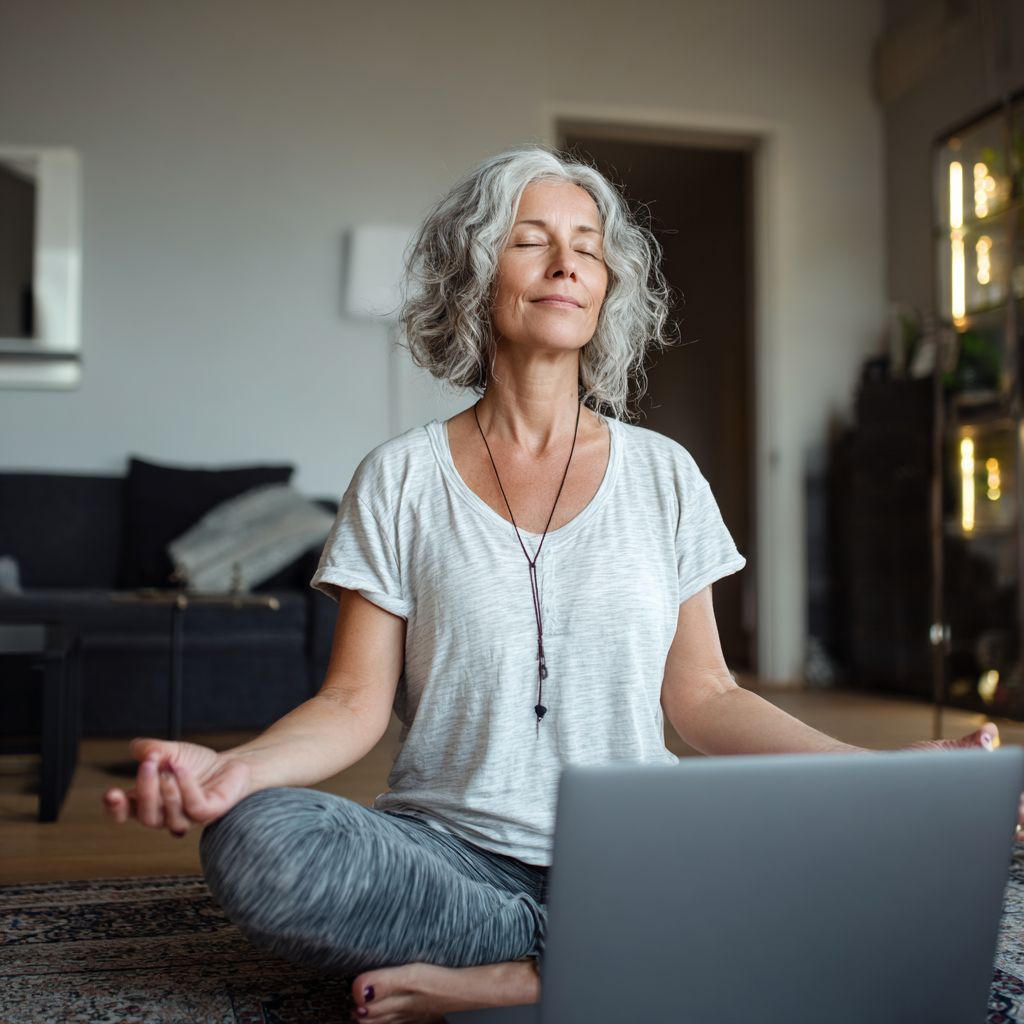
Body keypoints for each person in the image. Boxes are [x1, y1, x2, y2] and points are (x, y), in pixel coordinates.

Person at [103, 148, 1003, 1024]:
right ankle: (606, 959)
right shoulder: (399, 478)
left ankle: (524, 976)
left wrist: (879, 778)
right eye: (530, 238)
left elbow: (706, 696)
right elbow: (349, 704)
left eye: (588, 242)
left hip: (645, 854)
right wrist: (233, 771)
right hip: (451, 858)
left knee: (850, 847)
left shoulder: (666, 475)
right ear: (473, 272)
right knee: (258, 844)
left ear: (608, 285)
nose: (567, 260)